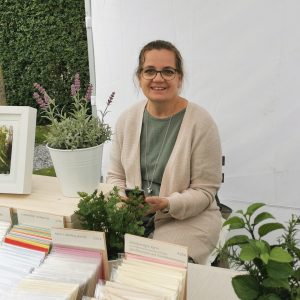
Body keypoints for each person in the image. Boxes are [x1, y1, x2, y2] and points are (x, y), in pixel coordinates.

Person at [107, 40, 222, 264]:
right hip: (133, 216)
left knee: (156, 267)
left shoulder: (201, 123)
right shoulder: (127, 120)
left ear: (179, 78)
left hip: (187, 219)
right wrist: (123, 199)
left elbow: (205, 191)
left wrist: (168, 204)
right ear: (139, 77)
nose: (158, 78)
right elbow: (115, 176)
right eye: (150, 71)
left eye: (168, 71)